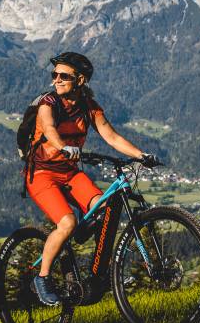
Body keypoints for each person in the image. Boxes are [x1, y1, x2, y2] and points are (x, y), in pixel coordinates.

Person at [26, 52, 157, 306]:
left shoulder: (89, 107)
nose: (56, 80)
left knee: (104, 208)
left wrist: (141, 155)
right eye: (54, 75)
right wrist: (62, 146)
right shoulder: (48, 103)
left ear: (81, 80)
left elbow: (112, 137)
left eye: (64, 76)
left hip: (70, 173)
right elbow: (50, 129)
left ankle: (100, 273)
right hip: (42, 175)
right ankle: (41, 278)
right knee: (67, 223)